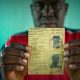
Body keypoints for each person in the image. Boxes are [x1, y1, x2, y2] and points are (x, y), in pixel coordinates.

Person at [1, 0, 80, 80]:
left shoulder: (78, 39)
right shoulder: (13, 42)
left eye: (56, 4)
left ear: (65, 9)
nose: (47, 12)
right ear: (32, 10)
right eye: (39, 5)